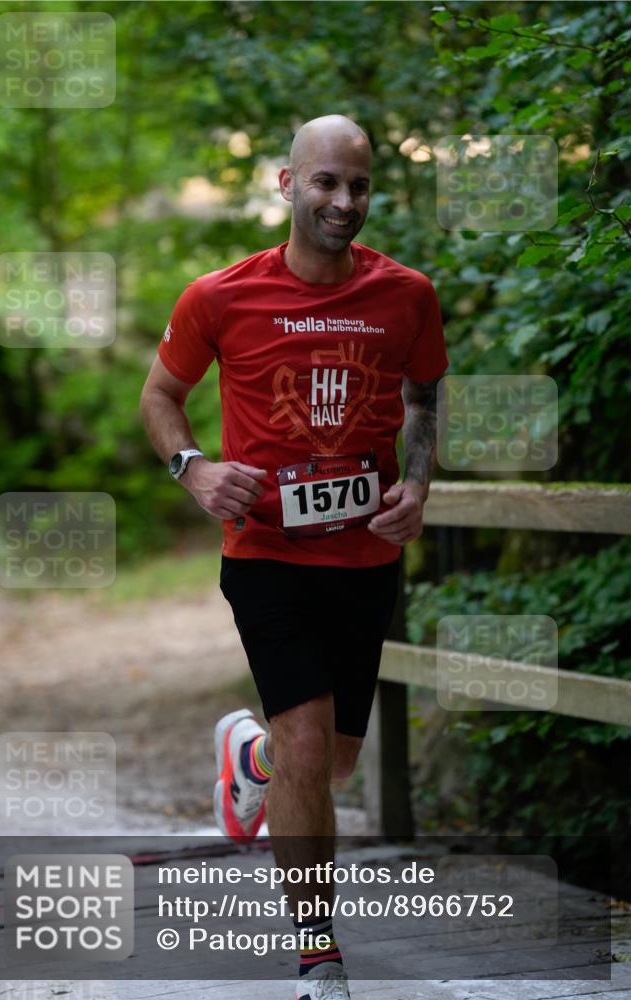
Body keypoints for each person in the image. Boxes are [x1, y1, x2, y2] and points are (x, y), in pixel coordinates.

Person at [140, 114, 447, 1000]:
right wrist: (192, 469)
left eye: (357, 185)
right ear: (286, 184)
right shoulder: (219, 297)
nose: (343, 201)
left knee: (329, 762)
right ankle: (318, 957)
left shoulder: (407, 295)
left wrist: (416, 488)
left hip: (363, 560)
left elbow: (424, 397)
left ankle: (251, 761)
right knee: (310, 741)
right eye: (325, 182)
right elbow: (162, 397)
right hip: (266, 554)